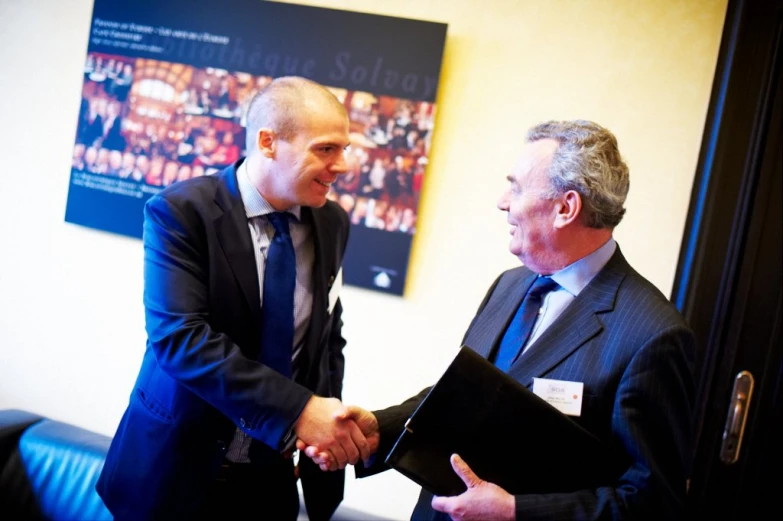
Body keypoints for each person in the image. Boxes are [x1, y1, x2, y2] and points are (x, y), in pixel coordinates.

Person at [302, 120, 696, 521]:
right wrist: (377, 431)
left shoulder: (653, 335)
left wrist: (515, 512)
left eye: (518, 187)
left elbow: (652, 503)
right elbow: (461, 398)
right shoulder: (511, 285)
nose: (503, 201)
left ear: (566, 208)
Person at [96, 76, 373, 521]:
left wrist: (327, 427)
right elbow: (180, 340)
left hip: (270, 482)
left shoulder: (332, 222)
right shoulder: (181, 212)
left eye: (344, 149)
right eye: (326, 149)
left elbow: (326, 339)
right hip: (173, 474)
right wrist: (300, 410)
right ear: (268, 142)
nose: (343, 164)